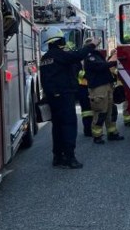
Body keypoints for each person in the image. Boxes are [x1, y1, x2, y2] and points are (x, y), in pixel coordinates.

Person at [40, 27, 94, 168]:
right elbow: (77, 56)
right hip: (65, 96)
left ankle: (57, 156)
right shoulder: (60, 55)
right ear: (59, 40)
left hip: (52, 98)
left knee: (57, 127)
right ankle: (70, 158)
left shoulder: (45, 58)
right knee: (69, 125)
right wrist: (91, 46)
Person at [83, 38, 125, 144]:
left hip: (106, 86)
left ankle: (112, 133)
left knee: (111, 111)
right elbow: (100, 66)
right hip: (98, 88)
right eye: (94, 44)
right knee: (100, 112)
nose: (97, 45)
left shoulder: (96, 55)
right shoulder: (90, 56)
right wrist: (115, 62)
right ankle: (97, 135)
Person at [77, 69, 93, 137]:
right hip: (82, 88)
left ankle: (90, 130)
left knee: (90, 111)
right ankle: (88, 131)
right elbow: (80, 74)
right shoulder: (76, 63)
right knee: (87, 112)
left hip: (87, 87)